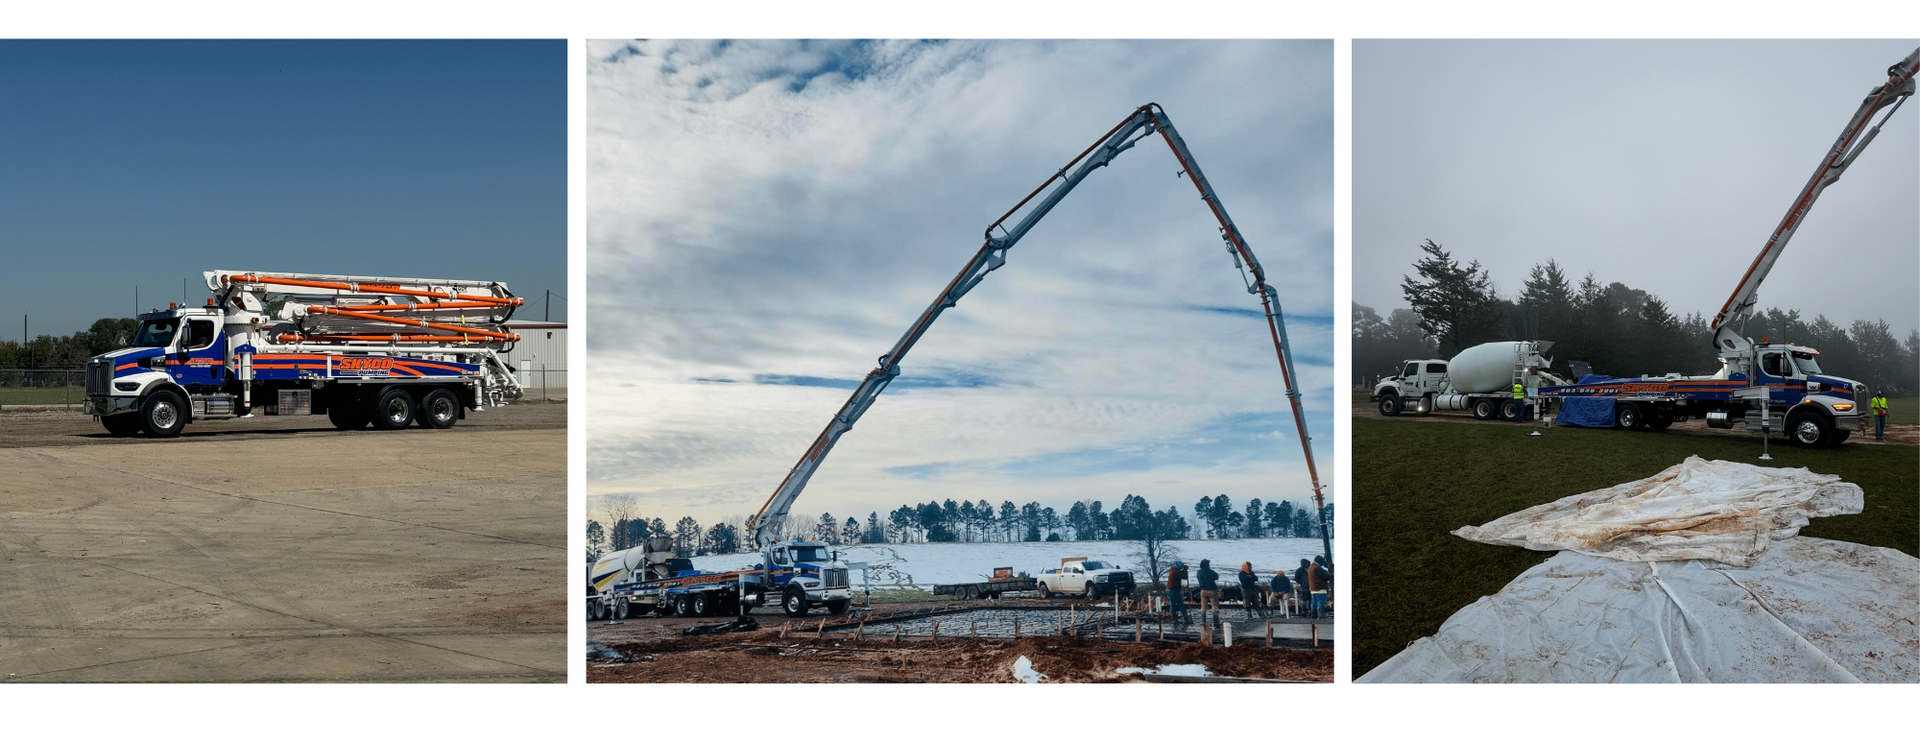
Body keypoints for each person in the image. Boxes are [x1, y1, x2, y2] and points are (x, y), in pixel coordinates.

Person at [1164, 560, 1189, 625]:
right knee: (1180, 604)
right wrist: (1185, 569)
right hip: (1174, 590)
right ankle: (1186, 618)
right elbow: (1185, 577)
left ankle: (1174, 619)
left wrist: (1184, 570)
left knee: (1172, 604)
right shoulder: (1176, 572)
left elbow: (1181, 575)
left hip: (1169, 590)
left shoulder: (1172, 571)